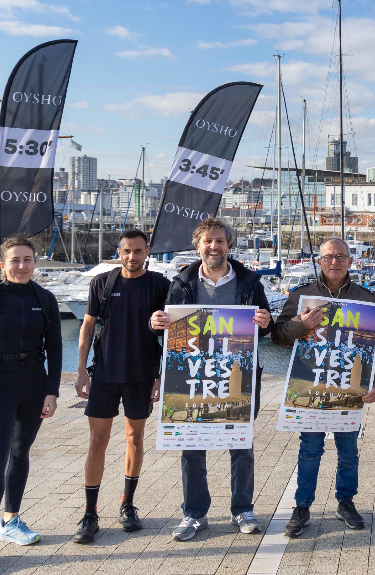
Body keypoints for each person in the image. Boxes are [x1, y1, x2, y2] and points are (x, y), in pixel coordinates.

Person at [150, 217, 273, 542]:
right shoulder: (181, 283)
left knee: (240, 445)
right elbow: (168, 329)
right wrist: (155, 322)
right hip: (192, 378)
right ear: (198, 245)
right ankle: (194, 514)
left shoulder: (249, 283)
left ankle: (242, 509)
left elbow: (265, 326)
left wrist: (266, 320)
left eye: (220, 241)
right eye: (208, 241)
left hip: (237, 378)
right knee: (191, 446)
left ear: (229, 246)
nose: (214, 247)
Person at [271, 238, 375, 538]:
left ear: (350, 261)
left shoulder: (366, 299)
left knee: (348, 451)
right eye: (328, 257)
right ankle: (302, 507)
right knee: (310, 449)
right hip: (311, 389)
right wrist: (301, 323)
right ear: (319, 261)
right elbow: (279, 337)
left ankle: (345, 502)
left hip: (349, 389)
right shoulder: (302, 295)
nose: (334, 262)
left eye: (340, 257)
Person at [0, 233, 62, 575]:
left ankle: (12, 520)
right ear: (2, 265)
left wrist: (52, 392)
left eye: (27, 260)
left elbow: (56, 350)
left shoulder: (44, 298)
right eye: (14, 261)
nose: (22, 266)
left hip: (32, 383)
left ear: (35, 262)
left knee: (20, 453)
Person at [71, 229, 171, 544]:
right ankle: (90, 513)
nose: (132, 257)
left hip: (141, 374)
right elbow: (88, 325)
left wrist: (160, 376)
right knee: (97, 441)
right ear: (119, 251)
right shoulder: (102, 283)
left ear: (147, 252)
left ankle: (128, 505)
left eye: (138, 251)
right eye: (127, 251)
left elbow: (172, 333)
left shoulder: (159, 285)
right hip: (104, 373)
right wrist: (80, 371)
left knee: (135, 439)